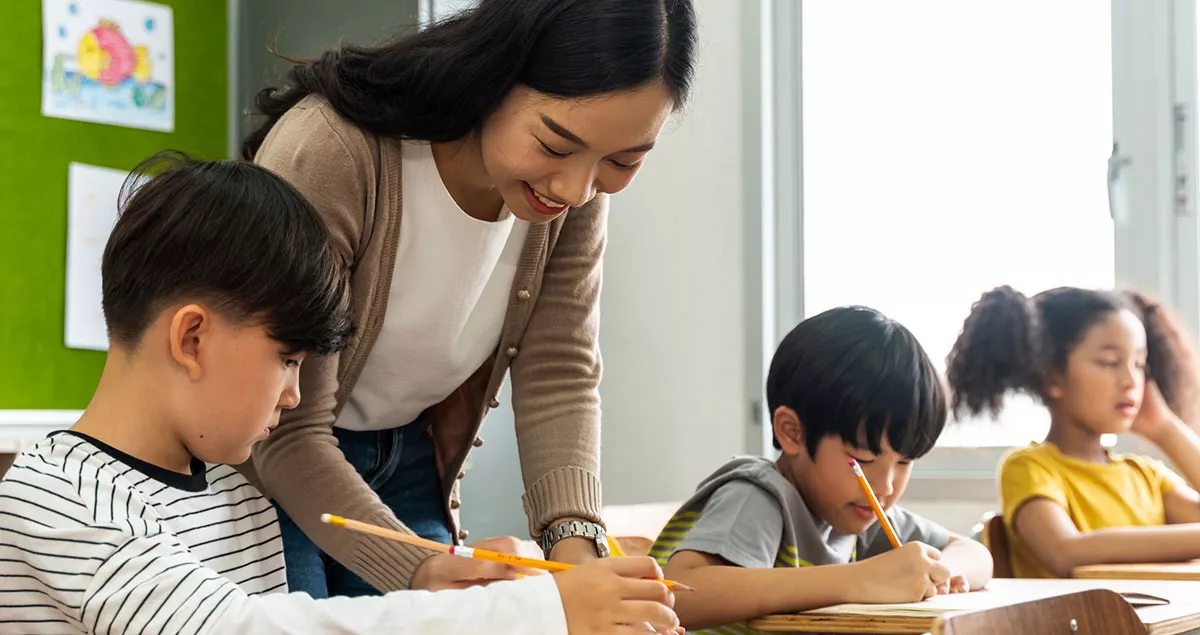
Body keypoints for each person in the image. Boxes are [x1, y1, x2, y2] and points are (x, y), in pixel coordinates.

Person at [0, 153, 681, 635]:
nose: (295, 396)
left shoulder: (235, 494)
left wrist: (474, 579)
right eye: (287, 360)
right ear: (193, 338)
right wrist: (536, 614)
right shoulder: (57, 501)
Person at [238, 0, 699, 598]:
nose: (576, 189)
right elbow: (287, 430)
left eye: (622, 161)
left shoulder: (575, 196)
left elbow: (559, 370)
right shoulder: (334, 151)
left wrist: (578, 551)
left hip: (408, 454)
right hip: (269, 457)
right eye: (555, 145)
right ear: (493, 75)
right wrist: (416, 568)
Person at [649, 307, 993, 633]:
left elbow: (975, 552)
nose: (886, 486)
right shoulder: (758, 495)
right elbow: (683, 593)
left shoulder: (862, 517)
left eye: (904, 462)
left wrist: (939, 573)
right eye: (863, 460)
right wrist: (860, 579)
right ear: (792, 432)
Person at [947, 285, 1200, 578]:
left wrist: (1165, 428)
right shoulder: (1030, 468)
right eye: (1110, 362)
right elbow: (1065, 552)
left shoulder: (1147, 477)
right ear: (1053, 378)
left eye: (1139, 364)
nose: (1132, 380)